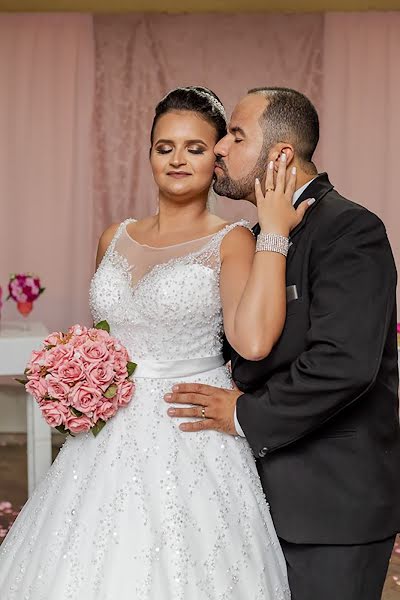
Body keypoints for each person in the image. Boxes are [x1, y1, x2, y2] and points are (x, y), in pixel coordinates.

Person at [0, 86, 311, 599]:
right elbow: (107, 332)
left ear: (217, 158)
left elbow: (253, 342)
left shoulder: (232, 239)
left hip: (189, 424)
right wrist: (77, 370)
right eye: (164, 147)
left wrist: (274, 233)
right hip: (107, 433)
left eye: (194, 147)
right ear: (149, 155)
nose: (178, 160)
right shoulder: (113, 237)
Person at [167, 87, 400, 600]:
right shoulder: (255, 236)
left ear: (281, 155)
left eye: (236, 135)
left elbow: (344, 363)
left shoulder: (350, 230)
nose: (220, 147)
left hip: (330, 511)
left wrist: (243, 416)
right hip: (253, 498)